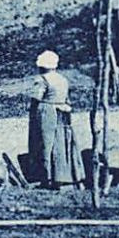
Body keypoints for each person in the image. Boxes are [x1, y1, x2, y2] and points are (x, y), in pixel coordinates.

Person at [27, 49, 80, 187]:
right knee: (60, 143)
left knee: (44, 143)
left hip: (46, 111)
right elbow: (67, 98)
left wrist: (32, 114)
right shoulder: (63, 79)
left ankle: (46, 178)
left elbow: (36, 99)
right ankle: (61, 175)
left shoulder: (42, 79)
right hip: (63, 111)